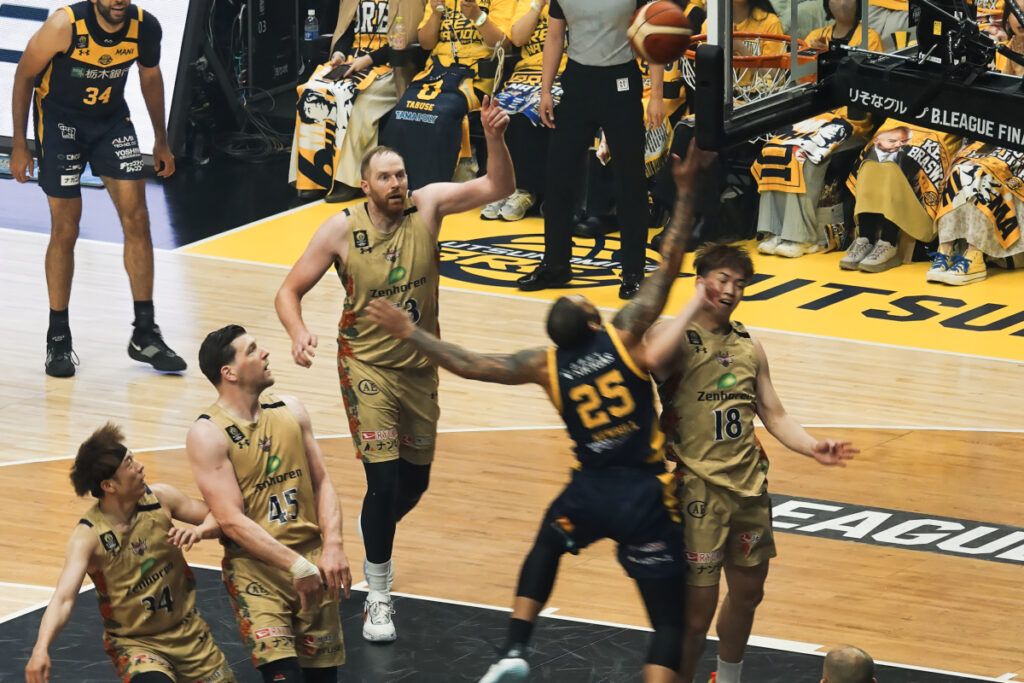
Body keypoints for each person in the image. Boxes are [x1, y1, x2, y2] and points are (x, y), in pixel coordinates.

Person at [366, 142, 716, 683]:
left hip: (590, 493)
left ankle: (514, 648)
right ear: (595, 324)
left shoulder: (546, 365)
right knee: (669, 623)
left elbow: (470, 364)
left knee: (548, 545)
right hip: (644, 496)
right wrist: (686, 193)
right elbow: (668, 266)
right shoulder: (623, 337)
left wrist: (411, 332)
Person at [275, 96, 513, 643]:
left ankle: (372, 532)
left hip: (420, 367)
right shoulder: (339, 230)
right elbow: (288, 291)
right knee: (382, 480)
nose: (398, 183)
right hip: (366, 367)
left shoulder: (428, 207)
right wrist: (298, 331)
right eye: (386, 177)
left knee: (414, 482)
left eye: (401, 174)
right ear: (366, 187)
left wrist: (496, 139)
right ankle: (377, 596)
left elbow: (498, 187)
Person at [645, 243, 857, 683]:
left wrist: (812, 446)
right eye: (722, 280)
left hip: (749, 490)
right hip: (697, 493)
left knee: (747, 595)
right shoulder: (673, 335)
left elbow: (774, 414)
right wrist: (693, 303)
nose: (731, 290)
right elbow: (652, 359)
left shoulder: (749, 344)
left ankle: (728, 678)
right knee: (696, 617)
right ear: (700, 281)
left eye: (739, 284)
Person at [10, 0, 184, 378]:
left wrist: (161, 139)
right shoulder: (64, 26)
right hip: (61, 125)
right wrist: (20, 145)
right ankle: (58, 337)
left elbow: (150, 76)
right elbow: (24, 76)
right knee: (66, 227)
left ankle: (145, 333)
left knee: (138, 219)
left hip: (111, 123)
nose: (118, 0)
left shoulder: (145, 27)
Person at [187, 325, 352, 680]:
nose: (264, 353)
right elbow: (231, 520)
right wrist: (296, 566)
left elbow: (322, 482)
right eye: (251, 350)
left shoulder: (291, 409)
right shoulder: (208, 433)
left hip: (313, 561)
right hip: (257, 573)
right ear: (229, 372)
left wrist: (334, 545)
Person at [25, 423, 234, 683]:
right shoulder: (88, 536)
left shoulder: (161, 498)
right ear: (109, 485)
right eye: (129, 463)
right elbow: (63, 599)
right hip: (137, 646)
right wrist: (40, 648)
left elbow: (224, 516)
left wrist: (200, 531)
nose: (140, 466)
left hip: (190, 634)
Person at [515, 0, 667, 300]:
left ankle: (633, 273)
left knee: (630, 183)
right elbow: (554, 36)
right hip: (577, 83)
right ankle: (556, 265)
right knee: (558, 177)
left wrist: (657, 95)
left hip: (620, 83)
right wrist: (546, 90)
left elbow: (652, 36)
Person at [289, 0, 423, 202]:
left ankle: (349, 179)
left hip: (389, 68)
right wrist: (339, 54)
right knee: (312, 91)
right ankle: (312, 177)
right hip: (352, 61)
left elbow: (405, 38)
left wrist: (368, 60)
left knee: (356, 101)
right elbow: (347, 29)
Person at [382, 0, 515, 188]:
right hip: (435, 73)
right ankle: (396, 183)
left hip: (475, 76)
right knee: (401, 111)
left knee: (441, 114)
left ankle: (432, 188)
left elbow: (502, 43)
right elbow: (426, 43)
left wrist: (477, 16)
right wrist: (436, 13)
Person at [483, 0, 568, 222]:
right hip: (526, 72)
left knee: (530, 112)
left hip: (563, 72)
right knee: (499, 111)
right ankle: (502, 188)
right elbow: (518, 37)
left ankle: (526, 190)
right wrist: (537, 5)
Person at [842, 121, 962, 273]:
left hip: (941, 130)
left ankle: (889, 242)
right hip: (903, 122)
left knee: (899, 156)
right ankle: (865, 238)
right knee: (874, 153)